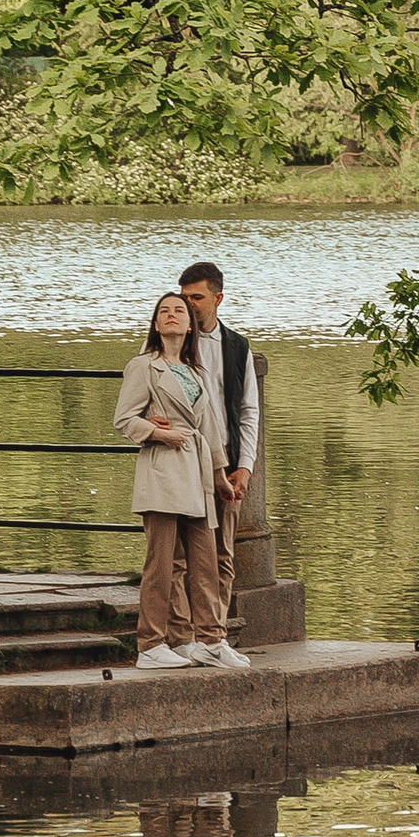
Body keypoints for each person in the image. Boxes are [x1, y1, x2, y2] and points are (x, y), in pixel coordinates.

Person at [113, 291, 246, 670]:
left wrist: (221, 476)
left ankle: (210, 640)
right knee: (161, 563)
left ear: (190, 325)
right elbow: (124, 419)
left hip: (198, 474)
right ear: (156, 324)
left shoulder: (195, 372)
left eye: (179, 312)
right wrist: (158, 434)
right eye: (164, 312)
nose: (171, 316)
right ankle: (150, 644)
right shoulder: (143, 366)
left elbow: (210, 426)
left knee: (205, 562)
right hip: (164, 472)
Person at [177, 261, 258, 617]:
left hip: (225, 456)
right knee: (180, 553)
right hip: (182, 457)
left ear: (217, 298)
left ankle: (216, 629)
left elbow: (248, 410)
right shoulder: (170, 341)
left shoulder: (237, 347)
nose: (189, 304)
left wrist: (245, 467)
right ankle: (182, 631)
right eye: (184, 297)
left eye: (197, 297)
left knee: (222, 549)